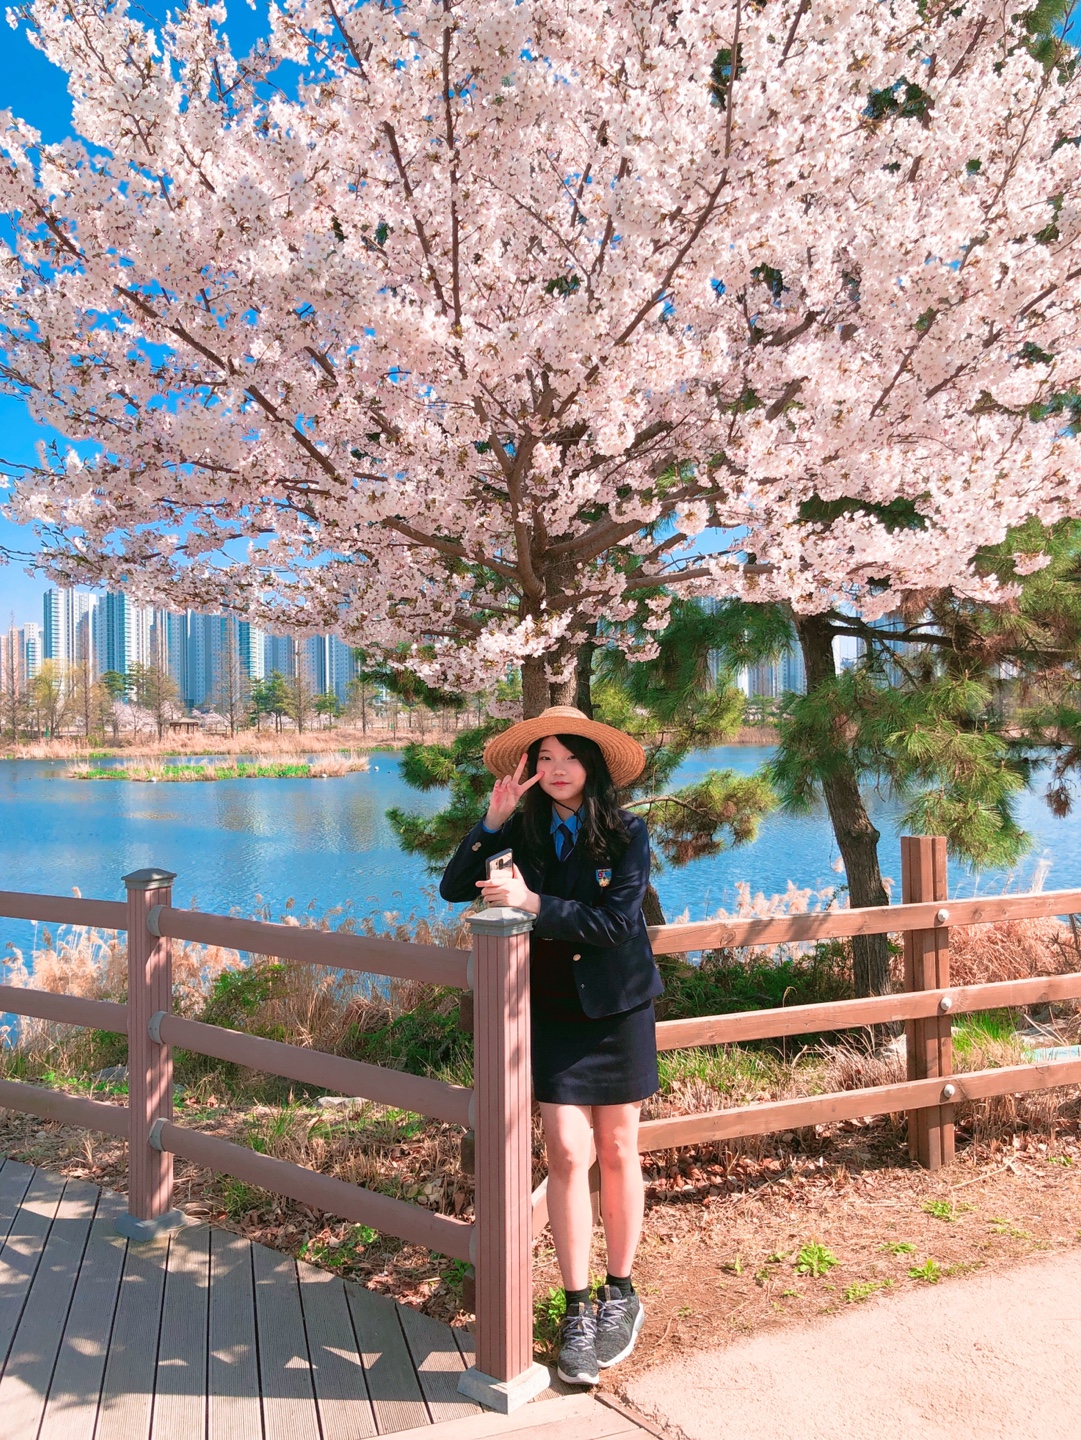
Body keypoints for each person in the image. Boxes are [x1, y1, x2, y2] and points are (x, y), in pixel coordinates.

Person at [440, 705, 662, 1387]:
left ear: (591, 767)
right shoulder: (522, 833)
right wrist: (493, 821)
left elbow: (616, 923)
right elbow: (453, 888)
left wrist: (531, 902)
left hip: (617, 1008)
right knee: (566, 1152)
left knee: (618, 1149)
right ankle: (576, 1307)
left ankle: (620, 1292)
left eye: (569, 757)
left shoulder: (626, 833)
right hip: (553, 1014)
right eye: (545, 758)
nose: (557, 769)